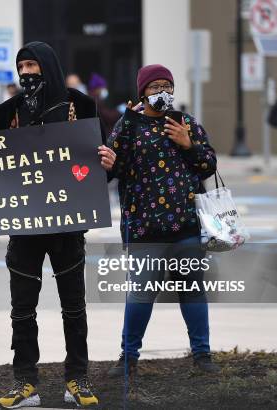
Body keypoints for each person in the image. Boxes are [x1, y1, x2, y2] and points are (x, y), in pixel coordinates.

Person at [0, 41, 116, 409]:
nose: (27, 72)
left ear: (49, 65)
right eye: (22, 66)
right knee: (22, 310)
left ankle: (77, 378)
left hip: (68, 228)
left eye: (33, 65)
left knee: (74, 307)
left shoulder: (82, 105)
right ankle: (24, 382)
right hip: (24, 228)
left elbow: (98, 171)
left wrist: (109, 164)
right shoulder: (8, 111)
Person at [107, 64, 220, 378]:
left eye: (166, 86)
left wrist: (188, 144)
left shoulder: (186, 123)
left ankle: (202, 355)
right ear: (142, 91)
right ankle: (128, 358)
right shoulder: (127, 124)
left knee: (193, 290)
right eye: (155, 87)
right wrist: (119, 139)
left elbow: (208, 165)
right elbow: (109, 169)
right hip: (144, 229)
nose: (162, 92)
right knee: (141, 293)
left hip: (186, 226)